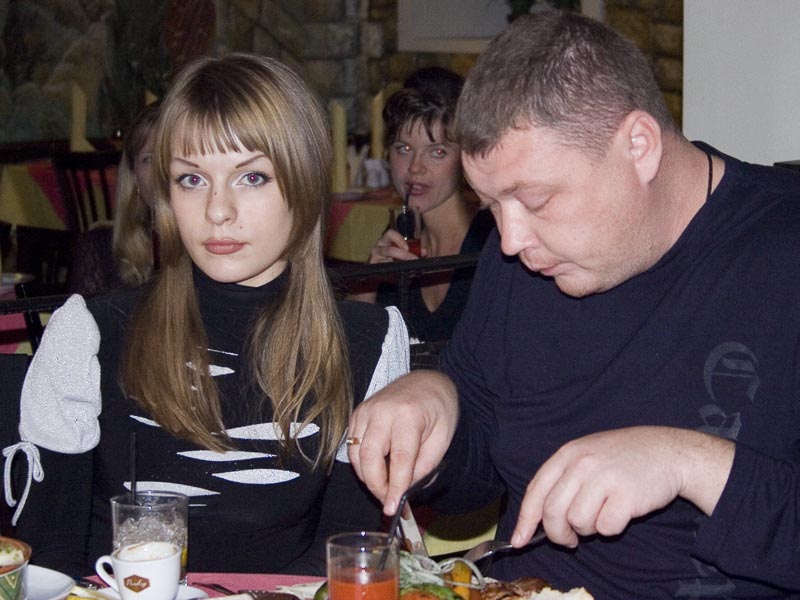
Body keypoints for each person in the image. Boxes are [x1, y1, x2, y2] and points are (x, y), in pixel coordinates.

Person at [346, 9, 800, 599]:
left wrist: (688, 464)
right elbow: (476, 475)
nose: (511, 241)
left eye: (535, 200)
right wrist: (436, 404)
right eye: (492, 207)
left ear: (638, 145)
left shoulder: (782, 249)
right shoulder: (523, 261)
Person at [4, 53, 409, 577]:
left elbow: (342, 557)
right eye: (192, 179)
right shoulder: (92, 333)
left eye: (252, 177)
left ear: (306, 185)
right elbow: (50, 557)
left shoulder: (369, 344)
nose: (217, 210)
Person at [352, 67, 494, 351]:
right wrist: (369, 282)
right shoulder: (398, 240)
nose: (415, 168)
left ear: (465, 159)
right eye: (403, 149)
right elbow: (354, 347)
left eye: (437, 152)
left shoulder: (492, 242)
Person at [68, 103, 159, 295]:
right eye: (149, 160)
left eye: (171, 157)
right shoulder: (101, 252)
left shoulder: (214, 254)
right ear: (133, 175)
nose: (162, 171)